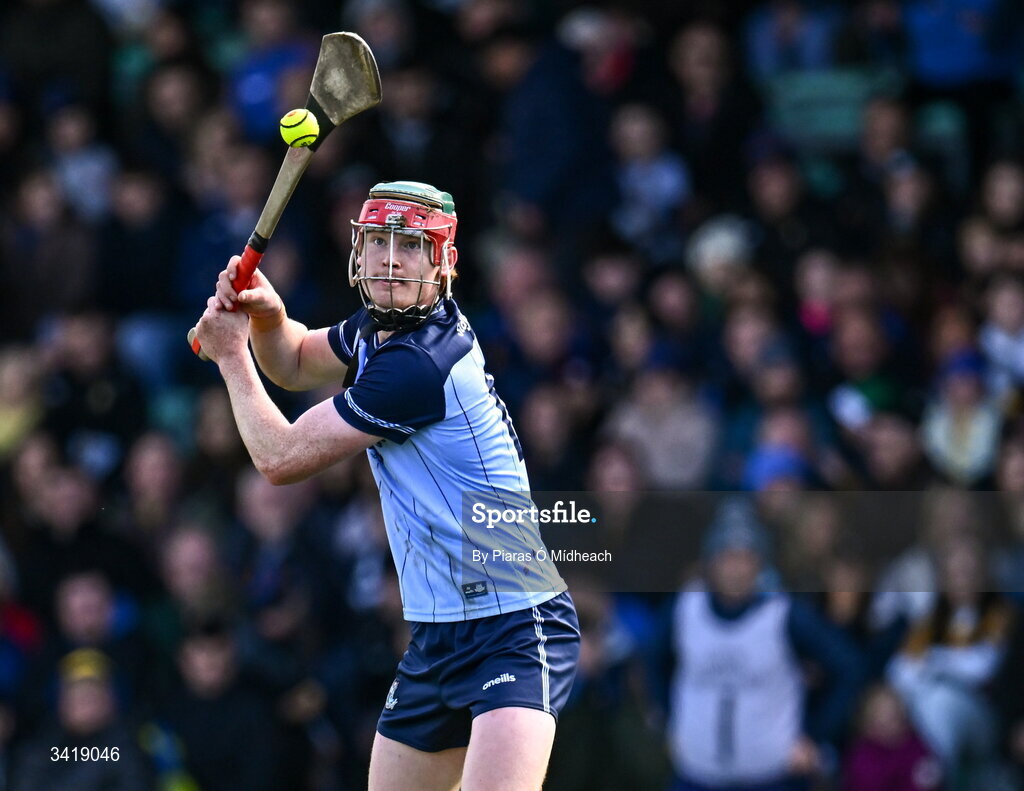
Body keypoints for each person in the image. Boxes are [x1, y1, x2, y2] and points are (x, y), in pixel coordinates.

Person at [194, 180, 579, 791]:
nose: (390, 260)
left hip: (514, 624)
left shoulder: (417, 364)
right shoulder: (381, 331)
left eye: (410, 246)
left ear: (442, 263)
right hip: (437, 634)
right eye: (377, 242)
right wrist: (268, 316)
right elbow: (293, 360)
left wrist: (231, 358)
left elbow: (281, 457)